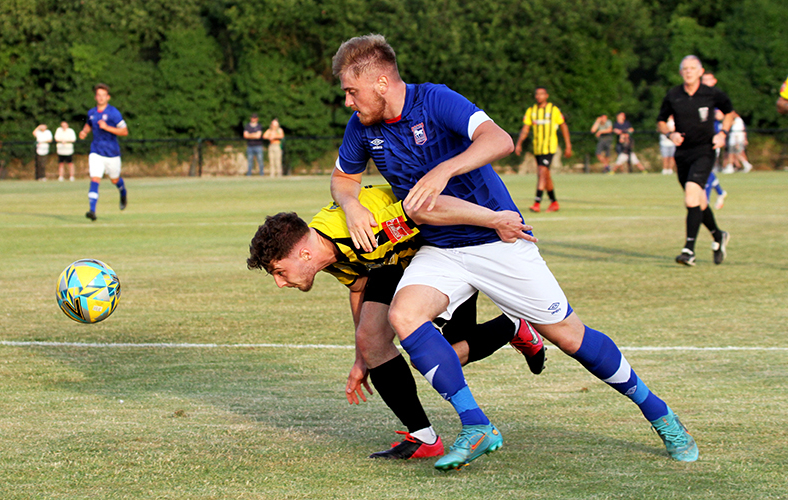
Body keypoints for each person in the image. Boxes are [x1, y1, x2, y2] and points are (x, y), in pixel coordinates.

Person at [331, 34, 698, 470]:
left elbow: (499, 139)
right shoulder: (362, 128)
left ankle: (660, 413)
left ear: (380, 82)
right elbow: (343, 178)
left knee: (570, 338)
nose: (349, 102)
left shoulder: (435, 101)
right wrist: (350, 204)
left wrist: (444, 169)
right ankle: (476, 425)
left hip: (497, 239)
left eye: (351, 91)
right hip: (440, 247)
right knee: (404, 315)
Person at [247, 185, 546, 460]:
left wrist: (494, 220)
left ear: (303, 253)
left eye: (279, 271)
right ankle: (423, 437)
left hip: (444, 250)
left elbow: (426, 210)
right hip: (393, 263)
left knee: (446, 352)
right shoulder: (324, 252)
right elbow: (359, 285)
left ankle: (512, 327)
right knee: (374, 342)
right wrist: (360, 355)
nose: (279, 283)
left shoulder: (367, 229)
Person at [658, 55, 732, 266]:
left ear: (700, 72)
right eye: (685, 68)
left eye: (693, 68)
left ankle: (688, 250)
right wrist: (670, 135)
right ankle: (718, 235)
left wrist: (723, 133)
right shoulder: (673, 95)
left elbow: (730, 112)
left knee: (691, 194)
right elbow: (661, 121)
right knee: (698, 202)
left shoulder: (711, 93)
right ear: (681, 72)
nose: (689, 71)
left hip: (705, 150)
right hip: (682, 153)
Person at [514, 86, 572, 213]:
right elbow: (525, 128)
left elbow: (563, 126)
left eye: (541, 94)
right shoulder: (531, 110)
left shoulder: (553, 110)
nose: (538, 96)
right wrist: (518, 144)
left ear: (546, 96)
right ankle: (554, 202)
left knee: (541, 171)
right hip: (537, 148)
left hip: (549, 147)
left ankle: (537, 203)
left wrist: (568, 145)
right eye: (537, 94)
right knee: (546, 175)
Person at [79, 84, 128, 222]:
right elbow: (89, 124)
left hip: (112, 153)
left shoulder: (114, 113)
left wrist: (107, 128)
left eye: (103, 95)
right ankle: (92, 211)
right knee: (95, 178)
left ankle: (123, 192)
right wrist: (84, 132)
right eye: (98, 95)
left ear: (108, 97)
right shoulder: (92, 112)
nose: (101, 98)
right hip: (96, 151)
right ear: (95, 97)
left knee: (114, 180)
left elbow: (124, 131)